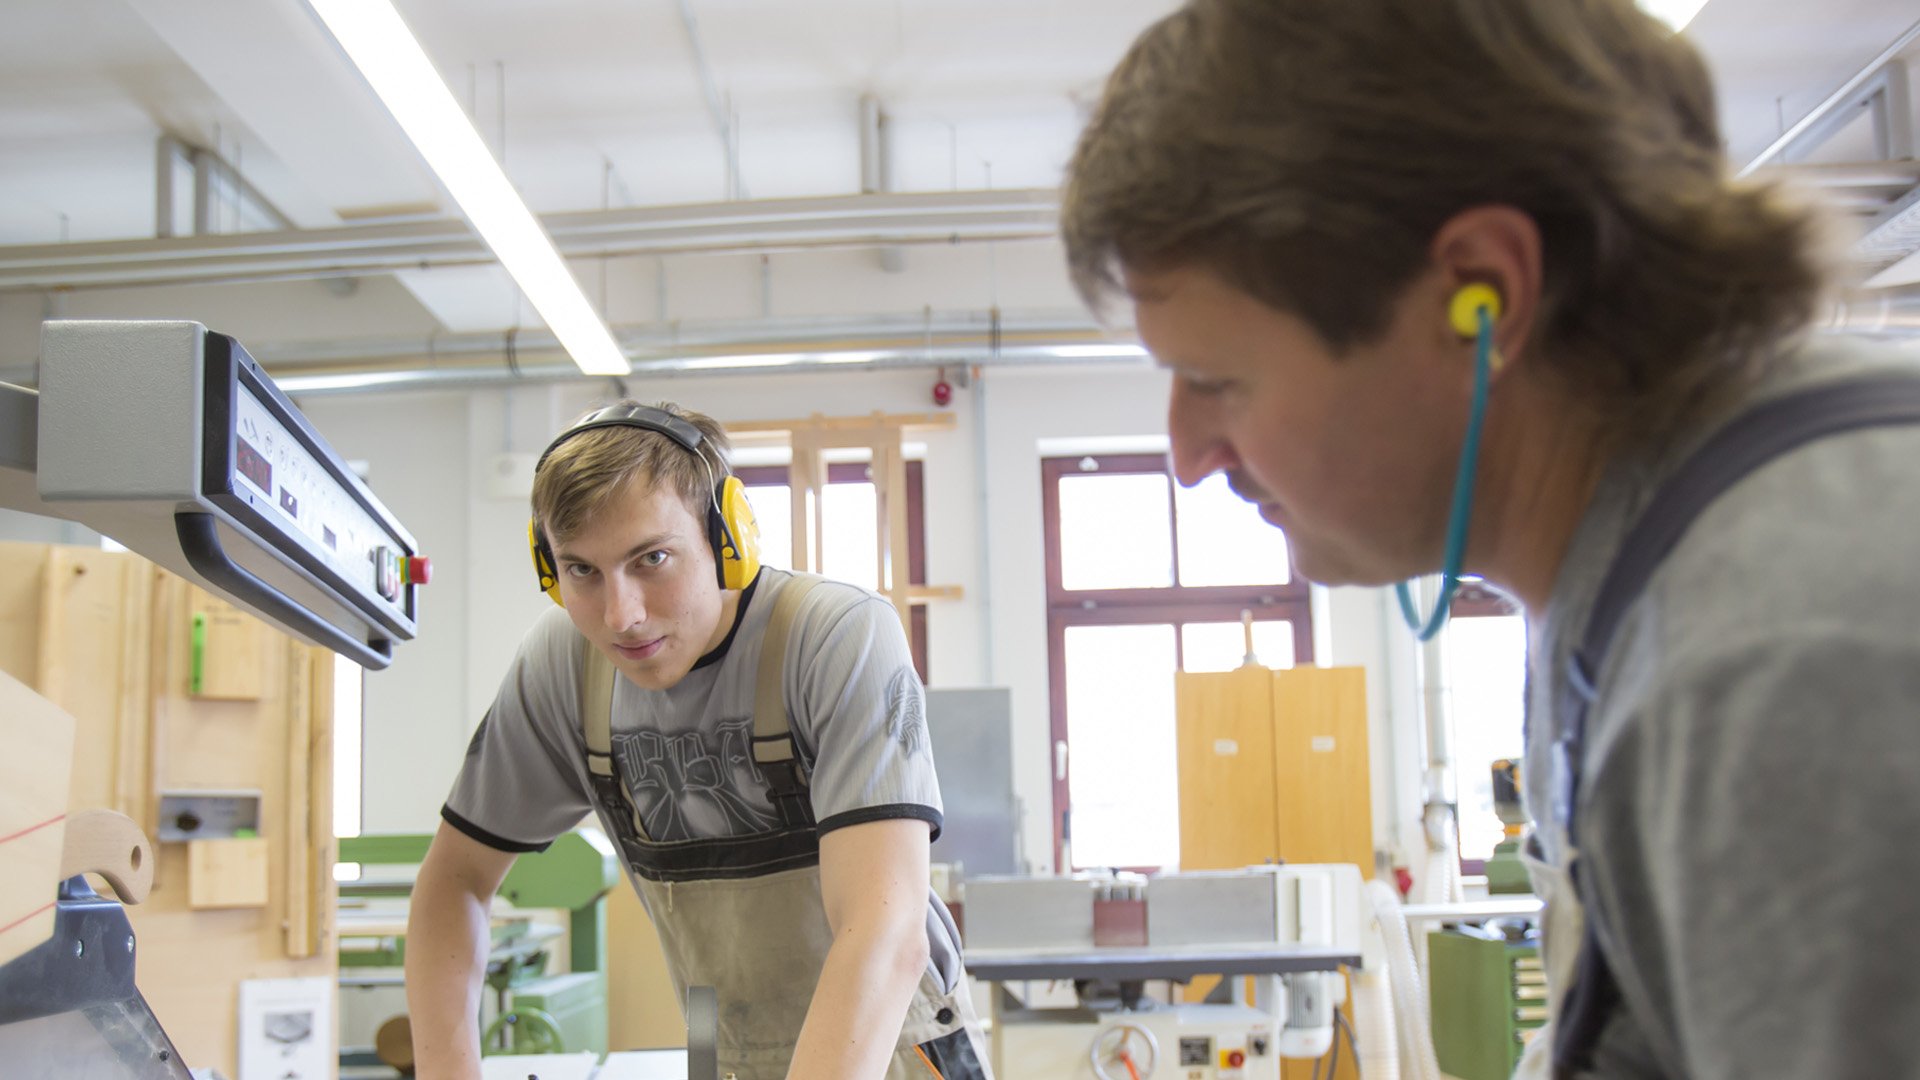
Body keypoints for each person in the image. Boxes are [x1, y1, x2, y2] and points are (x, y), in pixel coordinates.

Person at [1061, 2, 1920, 1077]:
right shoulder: (1634, 575)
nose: (1187, 454)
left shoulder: (1784, 654)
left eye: (1218, 380)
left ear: (1485, 294)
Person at [404, 401, 990, 1080]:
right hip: (722, 1052)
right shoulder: (564, 667)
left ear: (727, 537)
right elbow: (453, 881)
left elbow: (885, 936)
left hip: (891, 1044)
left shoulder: (836, 637)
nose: (621, 615)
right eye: (582, 571)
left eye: (652, 558)